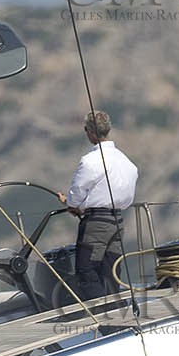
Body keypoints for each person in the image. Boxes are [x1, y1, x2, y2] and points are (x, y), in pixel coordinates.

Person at [59, 109, 138, 301]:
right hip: (117, 221)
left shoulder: (90, 161)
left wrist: (70, 203)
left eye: (86, 129)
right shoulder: (126, 162)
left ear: (92, 132)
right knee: (111, 272)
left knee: (86, 271)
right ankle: (117, 311)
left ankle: (104, 312)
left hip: (96, 224)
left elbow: (76, 194)